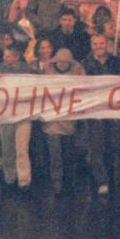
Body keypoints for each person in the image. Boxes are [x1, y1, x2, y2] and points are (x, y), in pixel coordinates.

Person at [82, 34, 120, 196]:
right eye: (95, 44)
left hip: (114, 110)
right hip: (95, 111)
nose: (98, 46)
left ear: (107, 44)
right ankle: (102, 180)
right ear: (91, 45)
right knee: (97, 146)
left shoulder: (117, 62)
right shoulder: (84, 64)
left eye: (101, 43)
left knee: (114, 145)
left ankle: (114, 179)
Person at [0, 44, 37, 191]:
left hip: (23, 114)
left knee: (21, 148)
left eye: (8, 56)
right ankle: (9, 177)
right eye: (4, 55)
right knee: (7, 148)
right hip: (6, 114)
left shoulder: (26, 69)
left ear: (16, 57)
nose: (4, 58)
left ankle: (24, 180)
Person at [43, 48, 82, 193]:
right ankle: (57, 181)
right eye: (60, 61)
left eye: (66, 62)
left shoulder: (77, 73)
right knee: (55, 153)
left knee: (68, 152)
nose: (63, 64)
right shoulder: (47, 73)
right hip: (52, 121)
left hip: (69, 119)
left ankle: (68, 181)